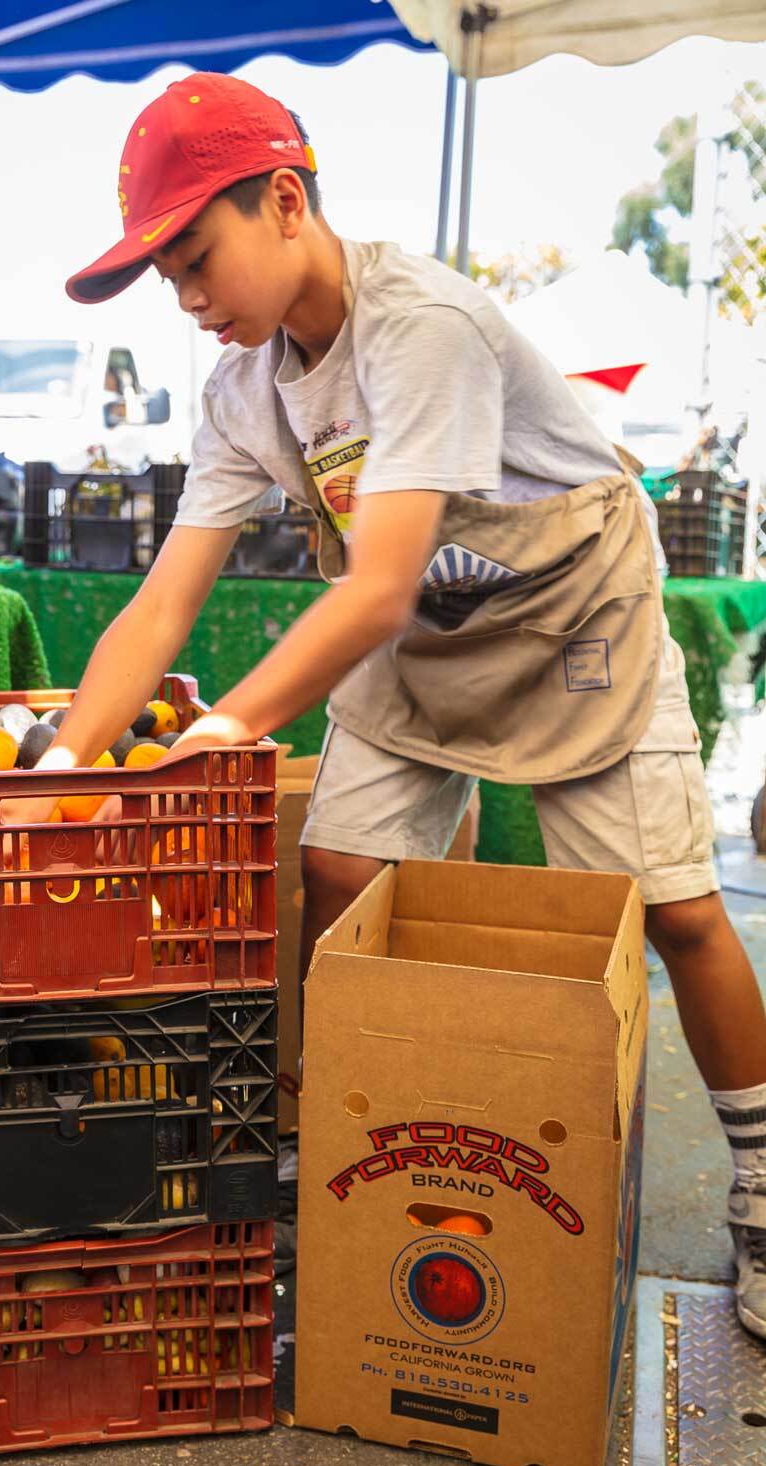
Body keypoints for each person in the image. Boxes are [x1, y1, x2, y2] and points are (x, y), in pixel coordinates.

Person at [41, 71, 766, 1339]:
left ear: (283, 200)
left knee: (674, 911)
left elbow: (369, 591)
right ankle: (337, 1152)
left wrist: (228, 726)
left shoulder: (419, 325)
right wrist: (58, 770)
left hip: (569, 611)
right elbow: (160, 610)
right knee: (339, 867)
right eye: (167, 279)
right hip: (424, 628)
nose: (190, 299)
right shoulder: (242, 393)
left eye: (196, 258)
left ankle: (765, 1189)